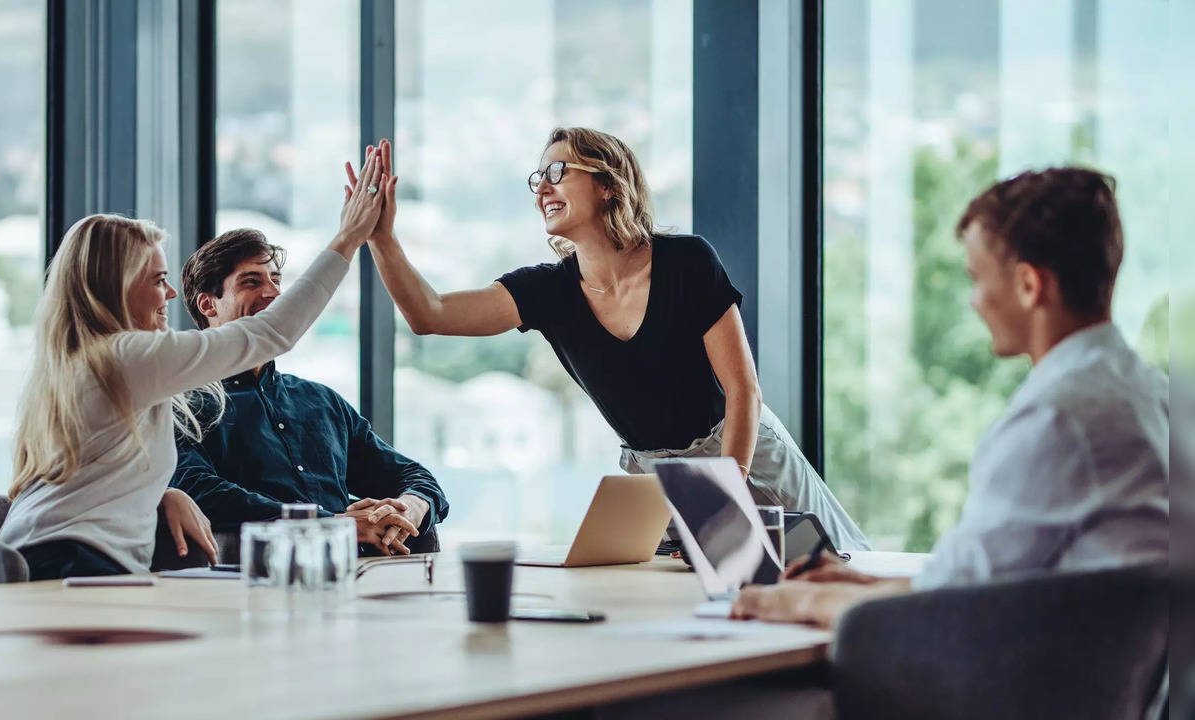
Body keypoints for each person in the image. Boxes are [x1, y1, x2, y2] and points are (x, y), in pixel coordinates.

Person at [347, 129, 869, 552]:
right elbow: (429, 314)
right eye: (538, 178)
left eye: (558, 172)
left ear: (608, 184)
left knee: (842, 574)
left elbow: (743, 391)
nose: (542, 188)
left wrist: (724, 492)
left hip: (741, 450)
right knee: (698, 607)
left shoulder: (686, 261)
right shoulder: (546, 290)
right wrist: (382, 238)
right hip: (654, 477)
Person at [732, 167, 1169, 627]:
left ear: (1028, 285)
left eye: (978, 279)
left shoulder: (1058, 417)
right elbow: (977, 580)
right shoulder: (1150, 394)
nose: (974, 301)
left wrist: (794, 603)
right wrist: (860, 584)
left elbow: (951, 609)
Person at [0, 149, 391, 580]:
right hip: (70, 563)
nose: (170, 295)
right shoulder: (123, 357)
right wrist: (348, 239)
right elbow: (272, 333)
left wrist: (162, 494)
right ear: (115, 286)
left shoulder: (83, 362)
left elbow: (93, 472)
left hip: (46, 555)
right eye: (157, 280)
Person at [169, 228, 449, 556]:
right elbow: (199, 490)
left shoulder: (321, 401)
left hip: (357, 578)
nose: (274, 293)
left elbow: (412, 475)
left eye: (275, 280)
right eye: (251, 281)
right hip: (255, 581)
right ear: (208, 305)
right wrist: (331, 524)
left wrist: (409, 507)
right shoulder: (181, 405)